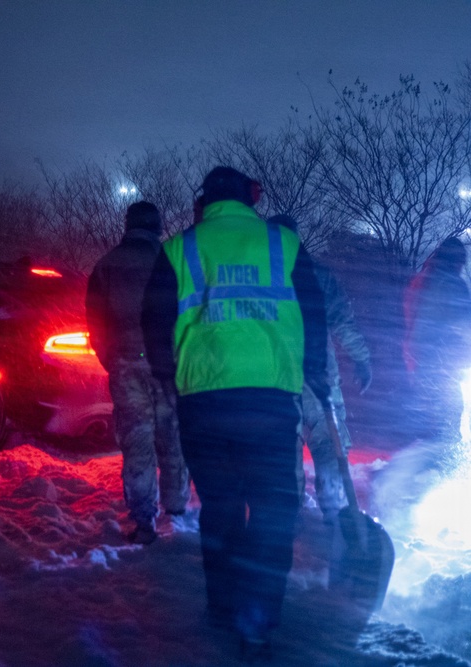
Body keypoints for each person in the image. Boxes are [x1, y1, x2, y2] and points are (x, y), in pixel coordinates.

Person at [142, 167, 328, 653]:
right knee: (272, 511)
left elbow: (154, 322)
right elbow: (313, 313)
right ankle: (258, 620)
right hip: (269, 402)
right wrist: (317, 377)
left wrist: (170, 379)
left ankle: (223, 608)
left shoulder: (179, 248)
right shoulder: (283, 244)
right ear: (252, 198)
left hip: (205, 403)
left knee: (221, 509)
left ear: (205, 201)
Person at [86, 201, 190, 545]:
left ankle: (144, 519)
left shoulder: (106, 265)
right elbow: (187, 313)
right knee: (172, 435)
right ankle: (176, 509)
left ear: (127, 225)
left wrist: (112, 358)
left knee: (137, 442)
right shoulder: (173, 261)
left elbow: (96, 324)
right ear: (157, 226)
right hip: (168, 365)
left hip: (126, 363)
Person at [270, 215, 372, 522]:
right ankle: (334, 511)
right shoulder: (319, 274)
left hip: (274, 375)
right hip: (318, 373)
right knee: (329, 443)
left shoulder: (261, 276)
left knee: (284, 446)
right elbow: (342, 321)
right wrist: (361, 358)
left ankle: (288, 515)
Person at [403, 237, 471, 450]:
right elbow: (465, 324)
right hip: (441, 362)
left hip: (419, 358)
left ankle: (417, 471)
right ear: (458, 260)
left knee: (431, 422)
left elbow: (412, 318)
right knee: (448, 421)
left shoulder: (423, 279)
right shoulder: (452, 283)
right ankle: (432, 473)